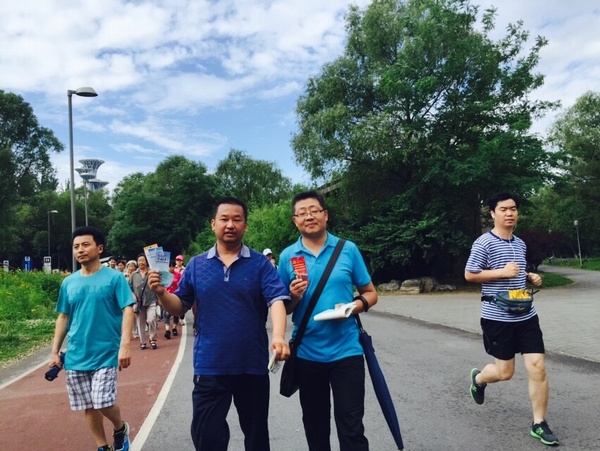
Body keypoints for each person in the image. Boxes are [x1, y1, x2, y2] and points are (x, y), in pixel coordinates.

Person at [148, 197, 290, 451]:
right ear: (213, 224)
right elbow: (180, 306)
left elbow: (277, 300)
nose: (230, 224)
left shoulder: (260, 264)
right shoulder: (196, 264)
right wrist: (160, 293)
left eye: (237, 219)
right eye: (224, 219)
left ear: (245, 225)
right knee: (207, 437)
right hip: (210, 364)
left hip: (252, 365)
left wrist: (278, 336)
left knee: (257, 437)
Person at [278, 190, 378, 451]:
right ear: (295, 221)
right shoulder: (288, 256)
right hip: (307, 354)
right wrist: (293, 296)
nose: (309, 216)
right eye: (302, 213)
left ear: (326, 215)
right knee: (316, 427)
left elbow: (371, 293)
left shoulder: (348, 249)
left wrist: (352, 307)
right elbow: (282, 308)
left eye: (314, 210)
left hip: (347, 352)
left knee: (351, 428)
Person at [465, 192, 559, 446]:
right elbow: (470, 274)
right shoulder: (483, 243)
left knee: (537, 366)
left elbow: (517, 274)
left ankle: (539, 423)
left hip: (526, 314)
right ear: (493, 213)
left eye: (513, 209)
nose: (509, 213)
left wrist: (530, 277)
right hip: (497, 317)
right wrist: (501, 272)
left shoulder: (519, 244)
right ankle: (479, 379)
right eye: (503, 209)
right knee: (505, 372)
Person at [49, 226, 134, 451]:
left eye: (86, 245)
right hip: (76, 354)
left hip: (106, 352)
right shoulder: (69, 282)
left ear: (100, 248)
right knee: (88, 406)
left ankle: (120, 428)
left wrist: (125, 345)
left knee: (102, 401)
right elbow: (63, 317)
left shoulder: (115, 278)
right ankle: (102, 446)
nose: (80, 250)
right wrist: (54, 352)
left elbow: (128, 309)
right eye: (76, 246)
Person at [129, 253, 159, 350]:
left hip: (151, 300)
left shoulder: (152, 272)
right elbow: (129, 287)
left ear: (147, 261)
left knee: (151, 319)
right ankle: (143, 342)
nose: (141, 262)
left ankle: (152, 339)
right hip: (139, 303)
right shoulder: (133, 275)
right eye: (139, 260)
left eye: (143, 260)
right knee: (140, 323)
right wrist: (133, 296)